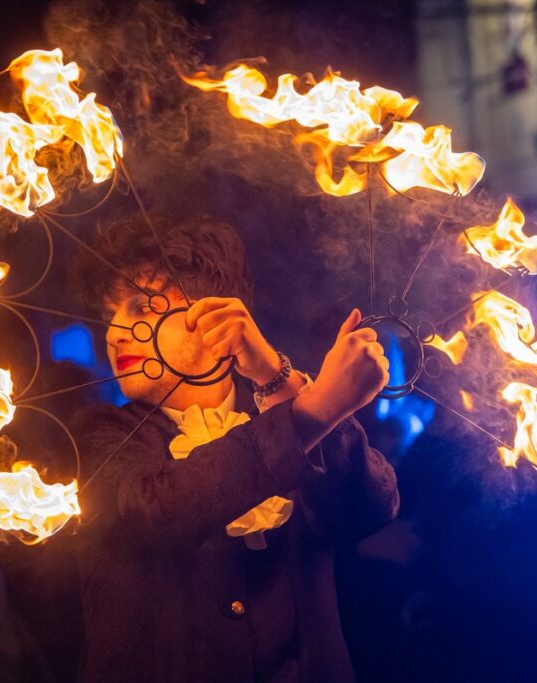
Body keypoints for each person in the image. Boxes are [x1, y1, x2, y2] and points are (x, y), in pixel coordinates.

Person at [70, 214, 399, 682]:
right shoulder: (100, 434)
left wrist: (273, 375)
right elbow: (157, 508)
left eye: (141, 308)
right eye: (110, 316)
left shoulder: (276, 408)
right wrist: (314, 410)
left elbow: (365, 510)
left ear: (215, 313)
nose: (114, 333)